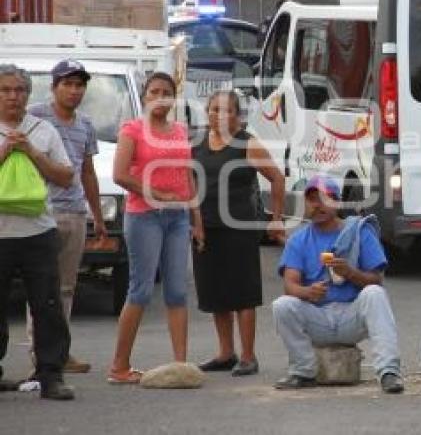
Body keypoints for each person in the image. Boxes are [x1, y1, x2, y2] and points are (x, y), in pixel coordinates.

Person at [108, 72, 202, 384]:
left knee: (177, 291)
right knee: (141, 290)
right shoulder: (132, 129)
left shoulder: (179, 131)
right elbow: (120, 174)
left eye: (166, 92)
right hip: (144, 215)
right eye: (154, 91)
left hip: (177, 218)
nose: (160, 97)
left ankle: (181, 365)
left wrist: (196, 220)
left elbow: (188, 178)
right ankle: (119, 366)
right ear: (145, 96)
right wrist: (156, 193)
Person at [271, 174, 404, 394]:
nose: (318, 205)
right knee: (282, 305)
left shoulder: (358, 232)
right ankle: (303, 371)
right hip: (319, 316)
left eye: (325, 199)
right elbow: (290, 285)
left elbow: (376, 279)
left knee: (374, 293)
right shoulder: (298, 239)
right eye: (313, 199)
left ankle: (388, 372)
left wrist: (350, 273)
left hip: (351, 316)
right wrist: (308, 292)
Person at [193, 91, 286, 376]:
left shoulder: (247, 144)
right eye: (214, 109)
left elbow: (277, 178)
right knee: (215, 292)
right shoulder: (196, 145)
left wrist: (277, 218)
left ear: (237, 116)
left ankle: (248, 355)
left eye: (227, 110)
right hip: (206, 228)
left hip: (239, 227)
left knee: (242, 292)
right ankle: (225, 353)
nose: (219, 115)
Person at [26, 60, 107, 375]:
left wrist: (97, 215)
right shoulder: (34, 116)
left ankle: (60, 350)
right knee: (40, 287)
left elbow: (87, 171)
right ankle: (39, 353)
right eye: (67, 84)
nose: (74, 91)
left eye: (79, 85)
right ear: (54, 86)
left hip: (74, 212)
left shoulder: (85, 124)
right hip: (39, 211)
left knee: (65, 288)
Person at [0, 64, 75, 400]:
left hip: (38, 232)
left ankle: (50, 374)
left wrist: (30, 150)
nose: (13, 96)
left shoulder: (43, 130)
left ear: (29, 95)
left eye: (19, 90)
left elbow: (65, 176)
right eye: (5, 90)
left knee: (47, 305)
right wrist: (6, 151)